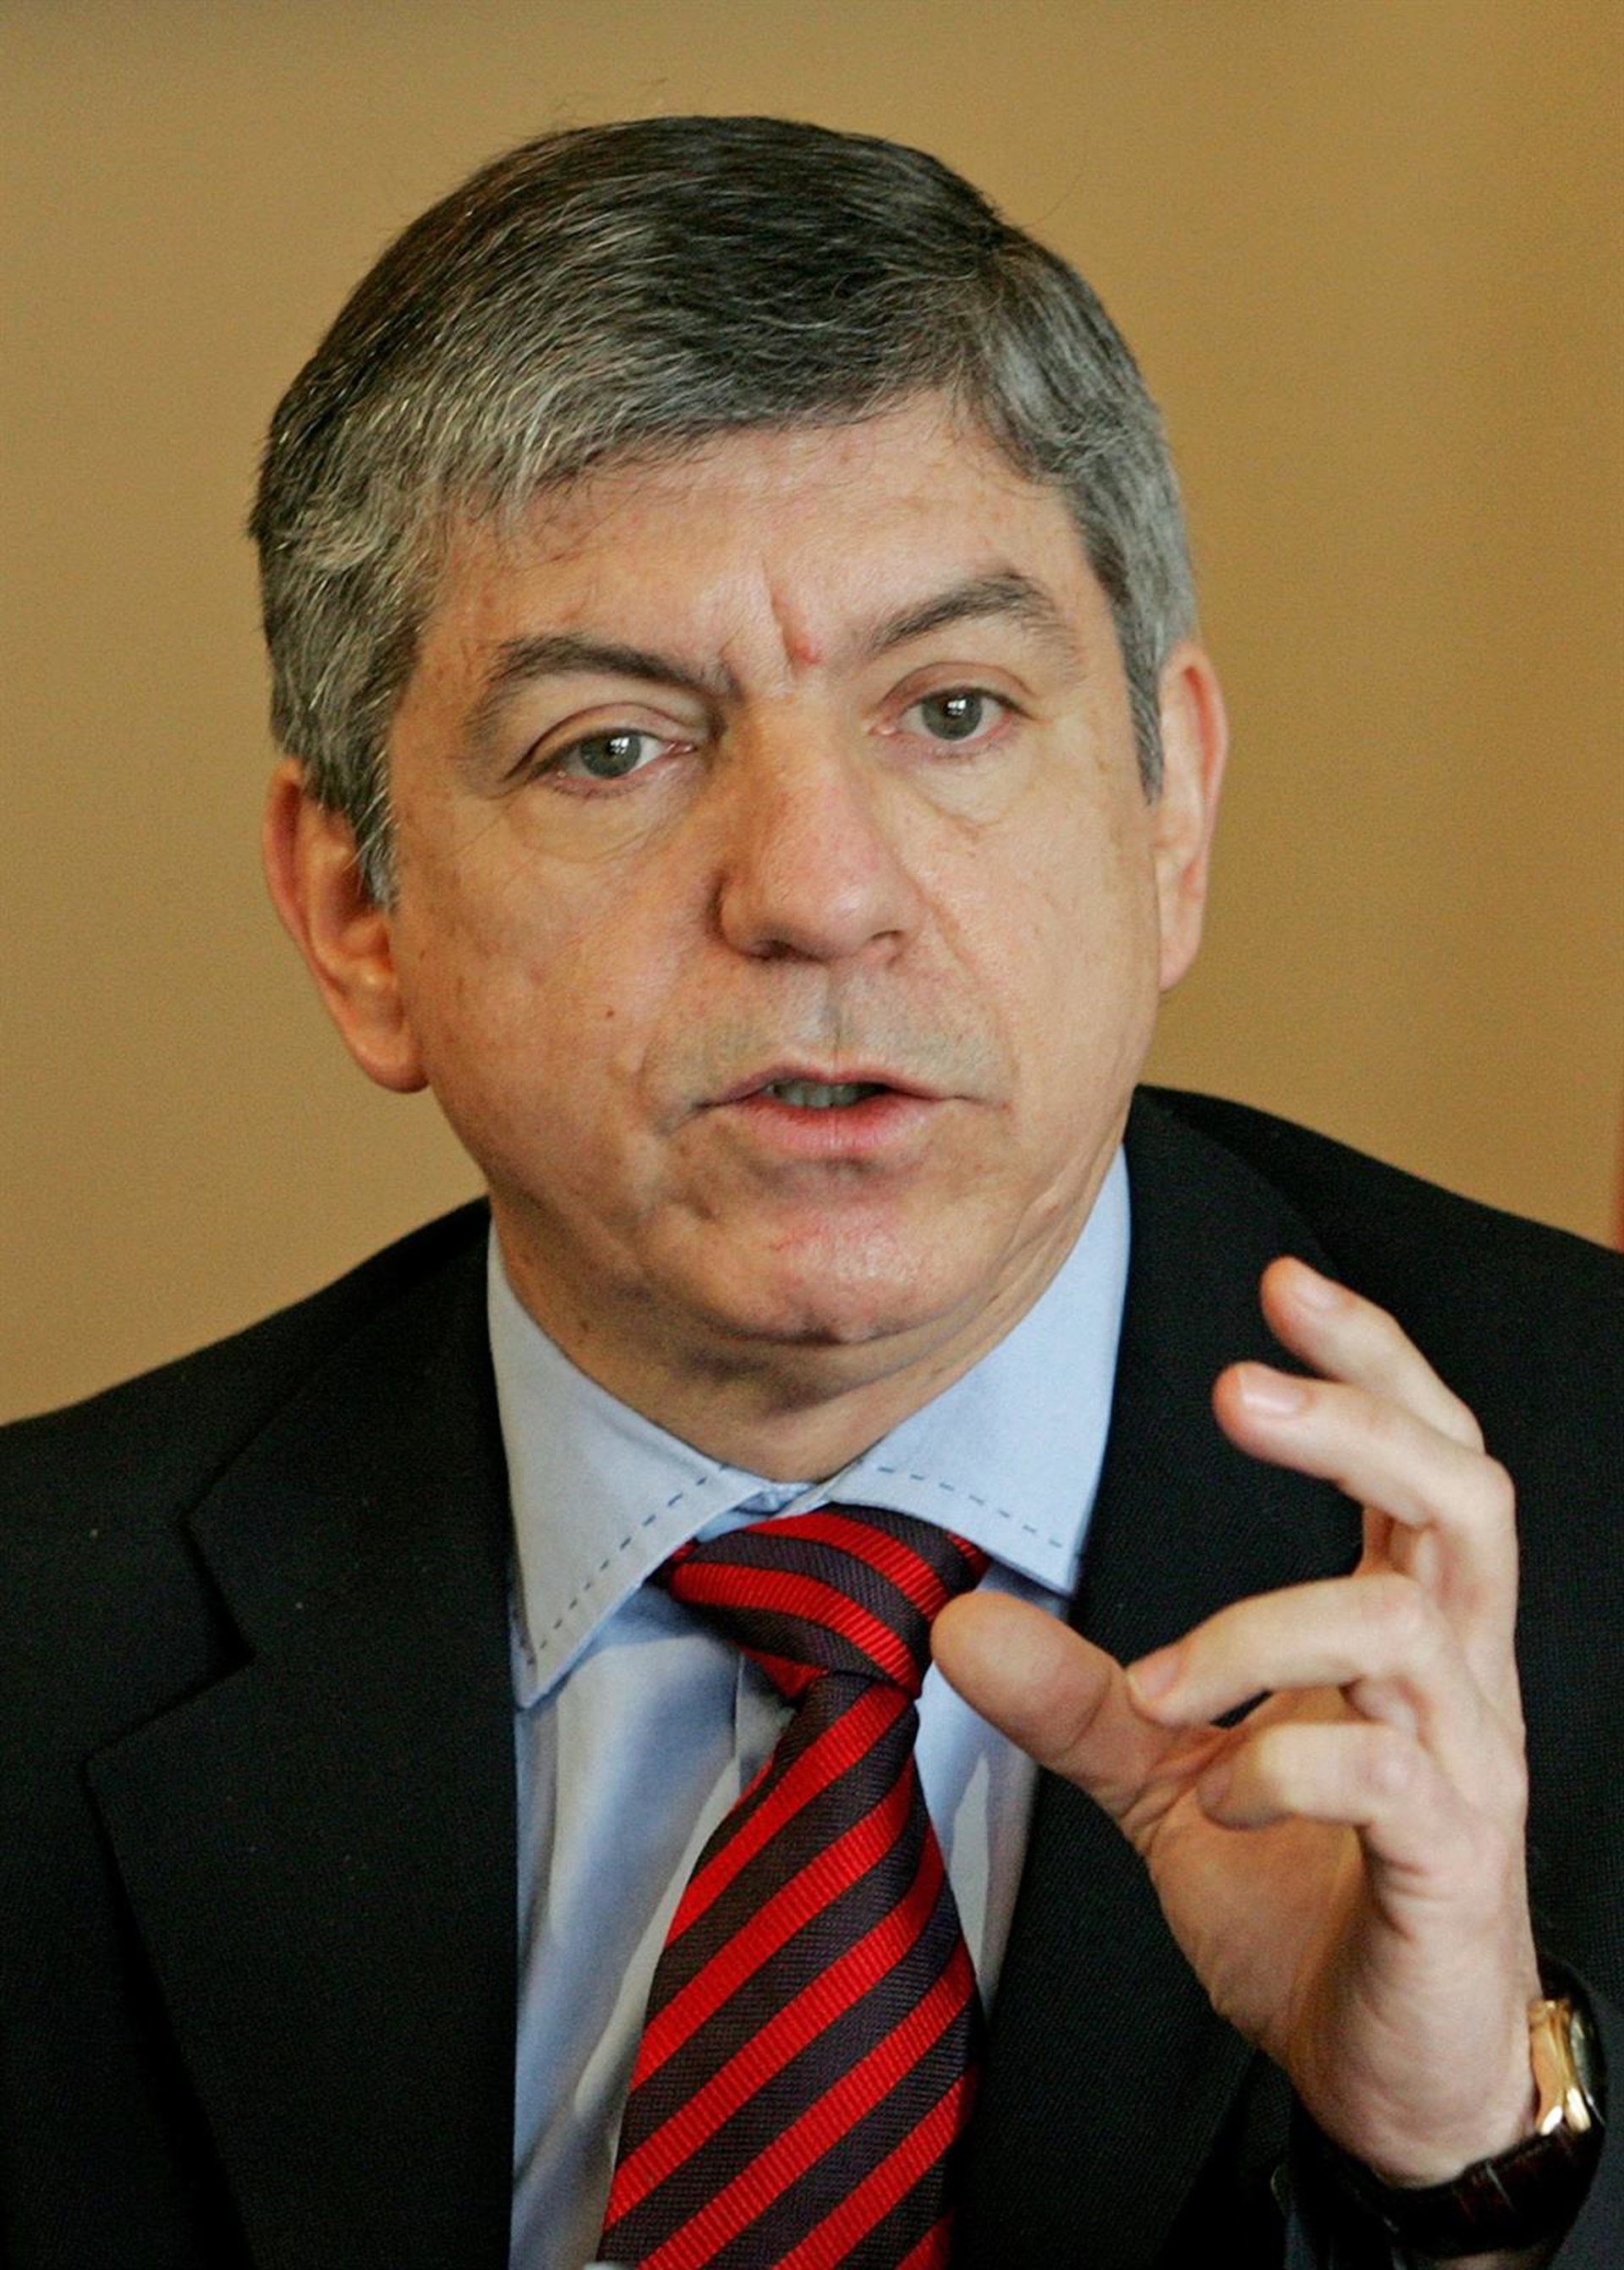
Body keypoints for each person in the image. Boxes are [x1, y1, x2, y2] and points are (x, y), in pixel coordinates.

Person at [2, 116, 1618, 2270]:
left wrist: (1458, 2159)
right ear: (357, 915)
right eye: (612, 746)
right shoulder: (39, 1644)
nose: (816, 889)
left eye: (952, 709)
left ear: (1169, 815)